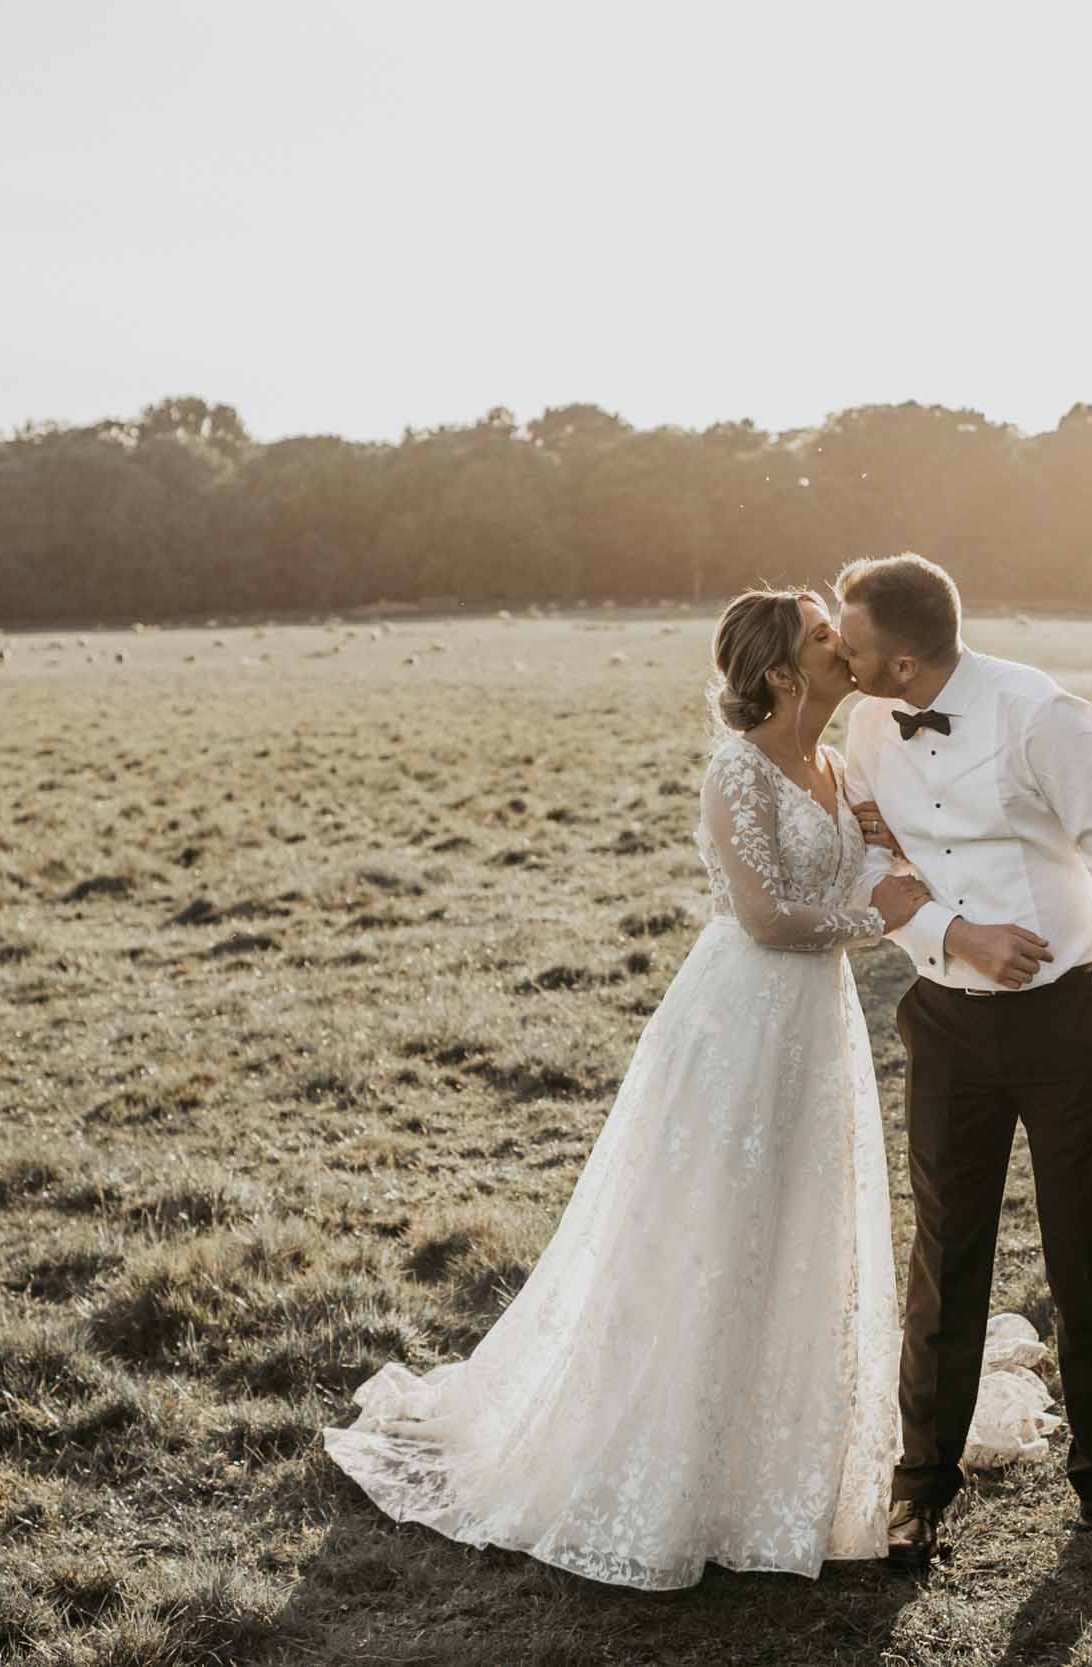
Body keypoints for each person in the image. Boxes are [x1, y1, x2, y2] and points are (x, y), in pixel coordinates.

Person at [323, 588, 932, 1590]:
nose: (844, 647)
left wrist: (895, 871)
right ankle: (668, 1452)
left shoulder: (837, 762)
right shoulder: (734, 771)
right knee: (707, 1218)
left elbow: (878, 855)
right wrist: (875, 919)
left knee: (797, 1213)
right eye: (826, 637)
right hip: (739, 1015)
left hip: (818, 1028)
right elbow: (768, 916)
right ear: (782, 670)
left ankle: (778, 1452)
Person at [834, 552, 1092, 1567]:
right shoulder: (865, 721)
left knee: (1086, 1253)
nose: (836, 658)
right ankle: (919, 1494)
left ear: (901, 661)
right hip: (945, 1015)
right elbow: (867, 855)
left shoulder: (1042, 714)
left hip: (1069, 1022)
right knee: (945, 1257)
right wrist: (956, 934)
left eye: (851, 646)